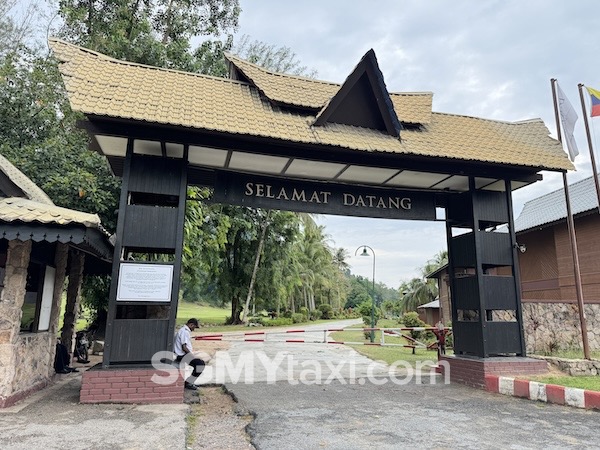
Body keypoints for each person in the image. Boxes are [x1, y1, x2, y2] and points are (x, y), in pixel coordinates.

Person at [173, 318, 205, 390]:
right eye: (194, 327)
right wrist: (192, 356)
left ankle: (189, 382)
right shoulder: (185, 332)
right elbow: (184, 347)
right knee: (200, 365)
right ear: (191, 324)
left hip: (182, 355)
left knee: (199, 363)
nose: (194, 329)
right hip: (182, 355)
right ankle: (188, 383)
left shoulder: (183, 330)